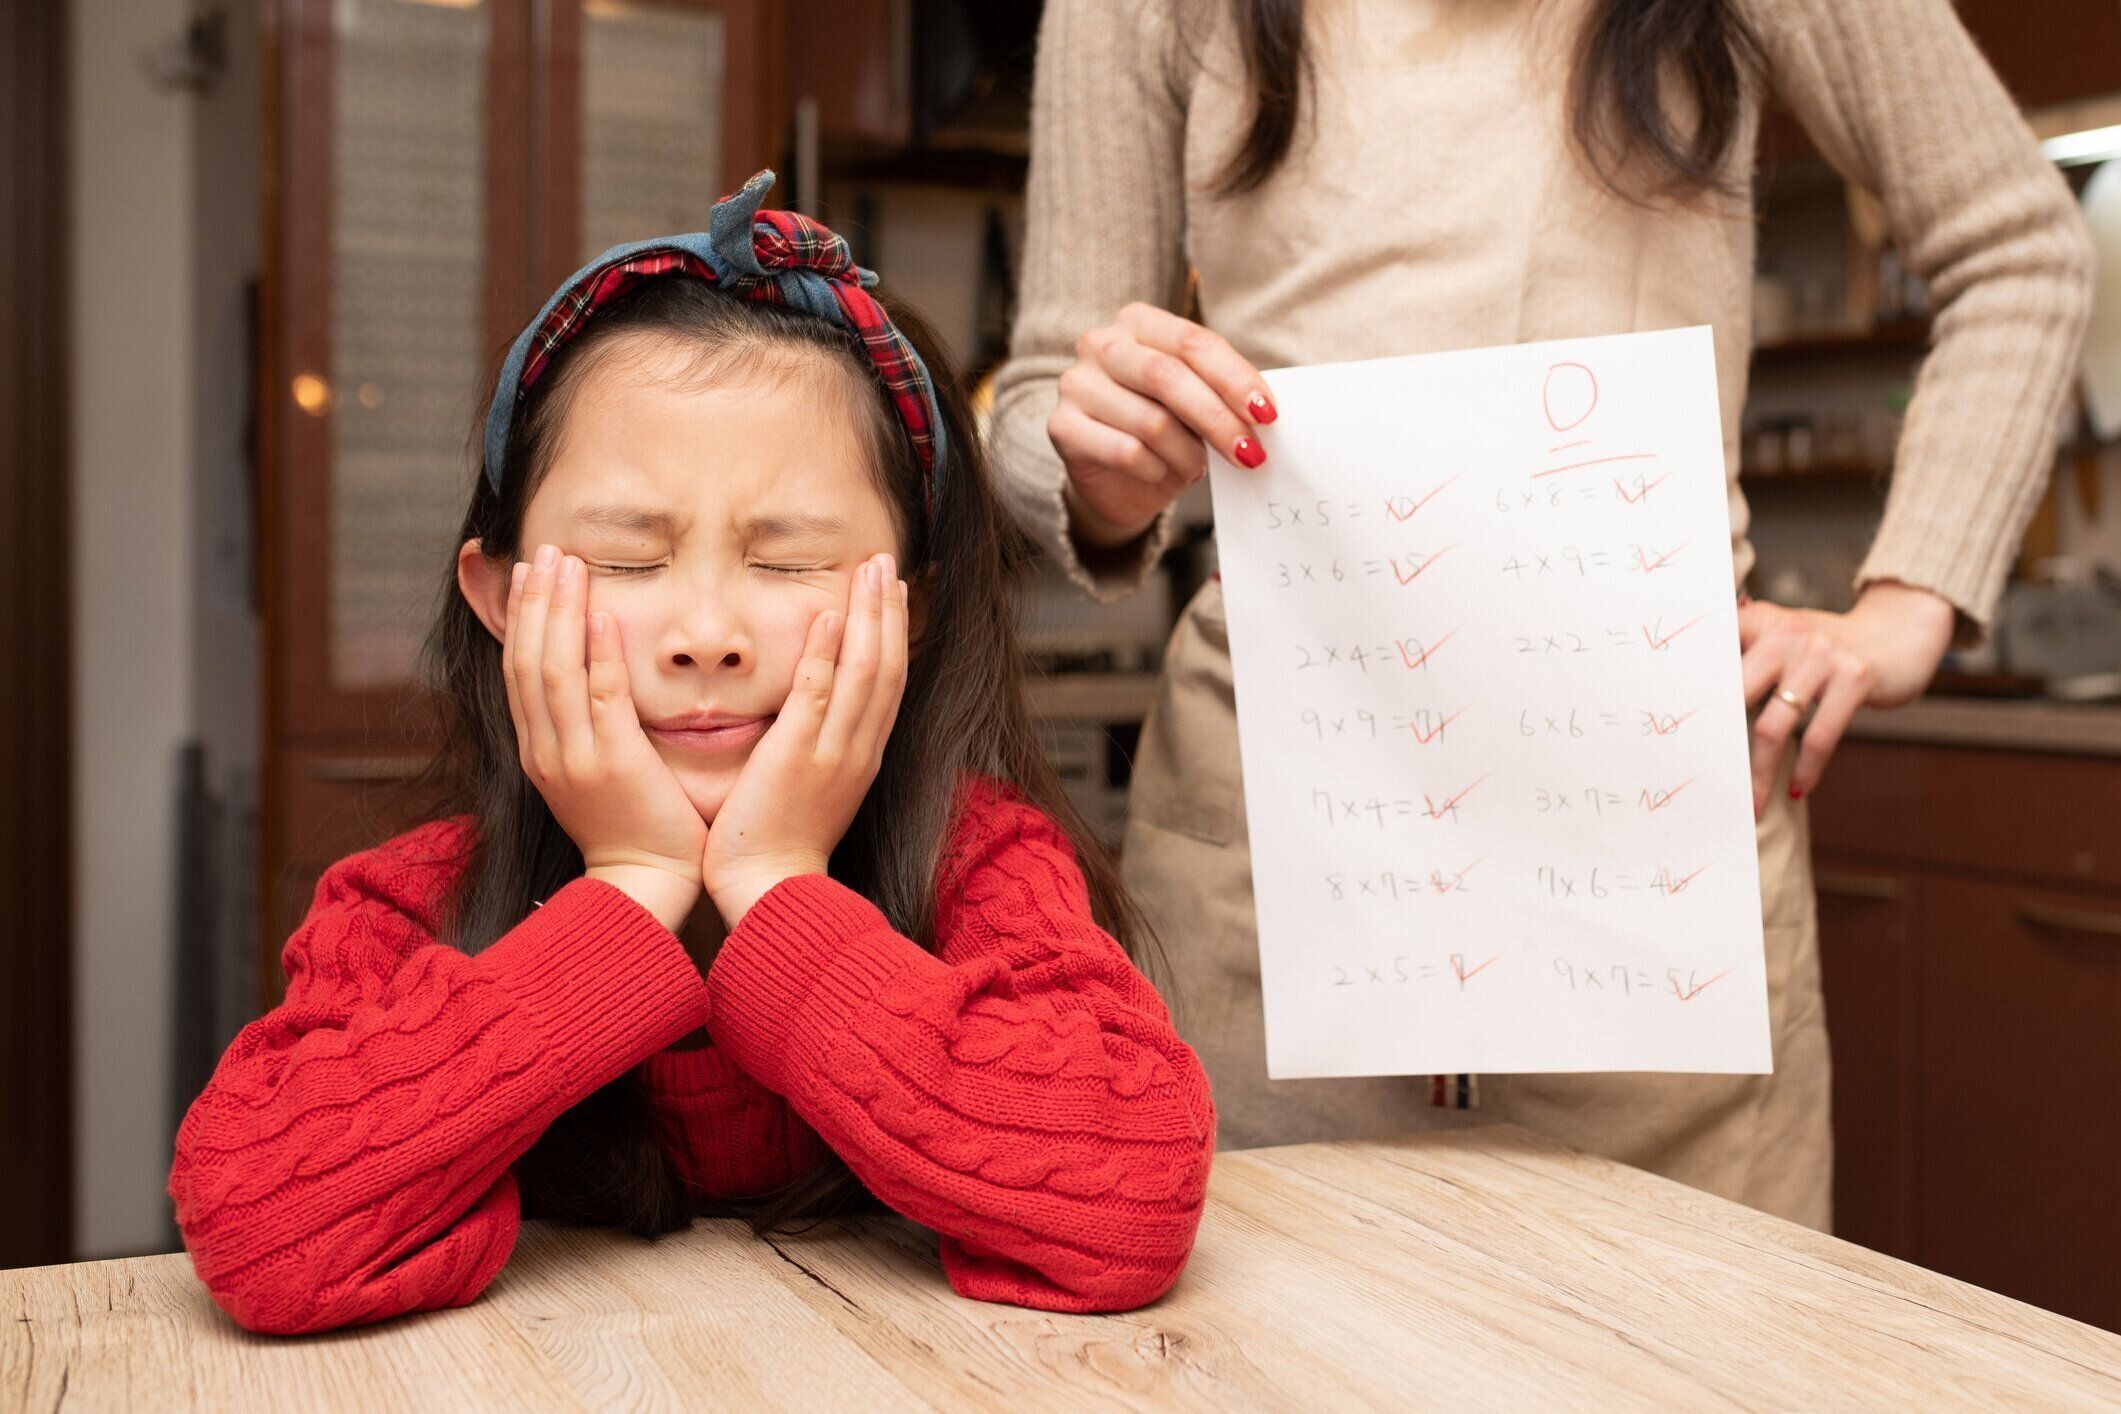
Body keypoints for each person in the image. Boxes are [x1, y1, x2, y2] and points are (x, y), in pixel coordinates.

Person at [990, 0, 2094, 1228]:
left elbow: (2018, 247)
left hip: (1653, 822)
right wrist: (1092, 458)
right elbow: (1046, 383)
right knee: (1274, 1332)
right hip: (1273, 837)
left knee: (1697, 1340)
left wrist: (1907, 602)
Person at [169, 172, 1215, 1335]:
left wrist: (777, 890)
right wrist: (628, 886)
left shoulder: (984, 866)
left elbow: (1135, 1197)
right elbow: (259, 1226)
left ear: (909, 608)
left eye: (787, 561)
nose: (707, 637)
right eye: (626, 560)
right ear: (501, 597)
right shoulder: (410, 902)